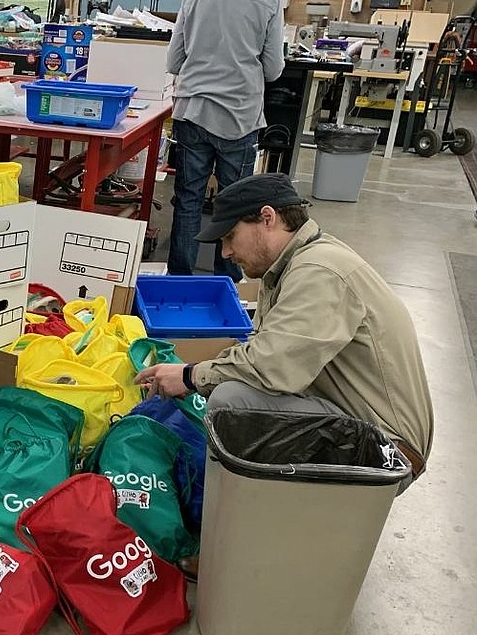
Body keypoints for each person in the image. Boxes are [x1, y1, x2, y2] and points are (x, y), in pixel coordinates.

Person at [136, 172, 433, 485]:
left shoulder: (319, 272)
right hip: (356, 425)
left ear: (268, 218)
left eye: (230, 236)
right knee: (229, 390)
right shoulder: (289, 266)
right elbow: (261, 353)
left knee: (231, 402)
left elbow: (271, 367)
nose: (224, 252)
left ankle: (229, 510)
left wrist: (190, 375)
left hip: (384, 452)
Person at [166, 0, 284, 279]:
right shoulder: (269, 0)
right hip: (239, 116)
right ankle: (225, 279)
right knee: (235, 205)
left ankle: (180, 278)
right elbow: (274, 68)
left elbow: (174, 60)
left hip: (194, 112)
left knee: (188, 199)